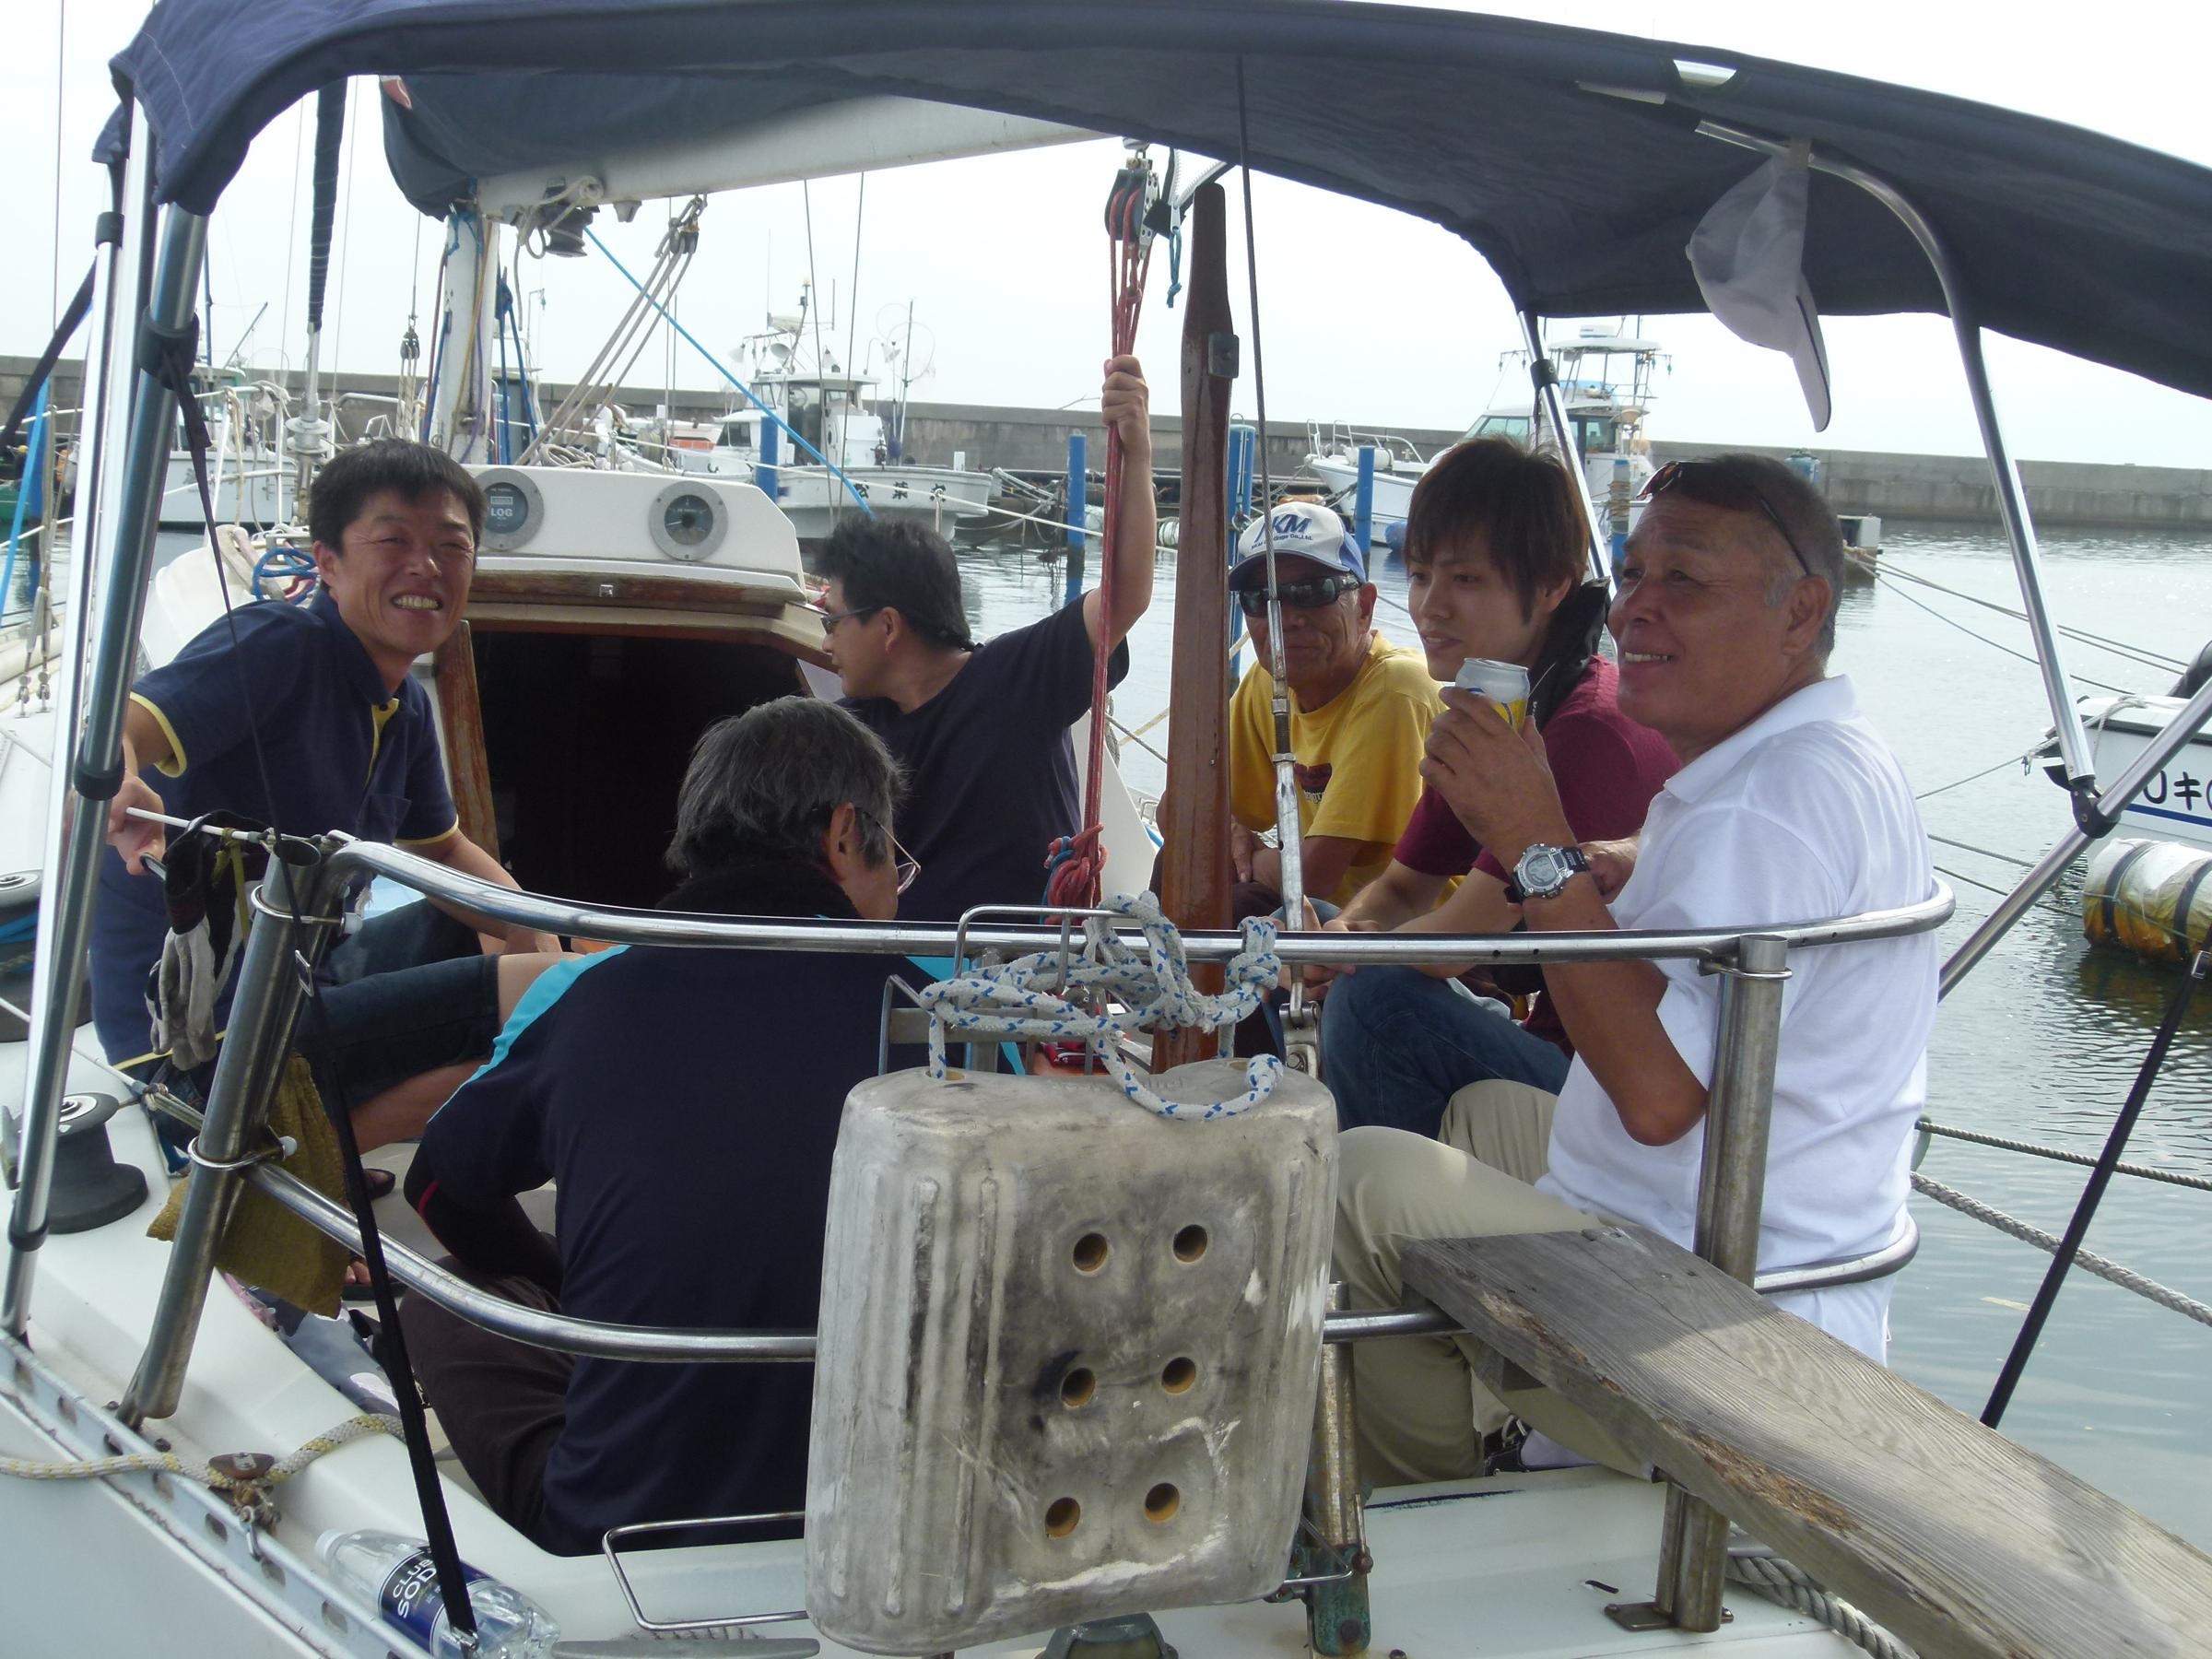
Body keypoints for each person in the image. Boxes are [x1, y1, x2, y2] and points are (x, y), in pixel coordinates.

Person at [1332, 453, 1937, 1485]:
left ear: (1801, 611)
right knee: (1480, 1113)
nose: (1633, 611)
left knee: (1360, 1182)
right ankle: (1496, 1419)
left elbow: (1658, 1103)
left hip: (1726, 1320)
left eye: (1684, 580)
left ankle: (1433, 1500)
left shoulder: (1765, 809)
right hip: (1723, 1227)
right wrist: (1623, 856)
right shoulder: (1811, 758)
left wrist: (1537, 842)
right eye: (1636, 574)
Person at [398, 698, 920, 1554]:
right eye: (894, 857)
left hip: (621, 1528)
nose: (899, 885)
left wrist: (557, 1283)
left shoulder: (584, 996)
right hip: (896, 1529)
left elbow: (439, 1189)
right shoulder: (946, 1016)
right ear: (841, 835)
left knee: (442, 1292)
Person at [91, 440, 561, 1148]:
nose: (426, 566)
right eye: (393, 541)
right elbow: (123, 728)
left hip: (296, 981)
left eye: (451, 546)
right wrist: (116, 784)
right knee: (555, 1002)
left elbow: (442, 853)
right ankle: (310, 1155)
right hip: (196, 1049)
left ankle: (330, 1129)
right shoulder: (279, 643)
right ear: (328, 563)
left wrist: (536, 932)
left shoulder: (405, 707)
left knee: (496, 937)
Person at [1315, 440, 1677, 1135]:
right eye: (1420, 575)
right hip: (1545, 1037)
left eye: (1466, 580)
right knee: (1310, 923)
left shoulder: (1584, 731)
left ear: (1552, 586)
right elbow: (1402, 889)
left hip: (1607, 1080)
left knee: (1375, 999)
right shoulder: (1496, 710)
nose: (1430, 607)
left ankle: (1377, 1185)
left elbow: (1458, 938)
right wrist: (1341, 933)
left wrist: (1339, 957)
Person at [821, 356, 1154, 921]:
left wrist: (1138, 453)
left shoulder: (1018, 679)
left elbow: (1124, 595)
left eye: (833, 621)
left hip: (1022, 963)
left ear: (888, 626)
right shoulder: (850, 734)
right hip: (902, 963)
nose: (825, 642)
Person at [1225, 501, 1440, 912]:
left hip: (1402, 930)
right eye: (1259, 598)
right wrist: (1229, 827)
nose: (1284, 619)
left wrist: (1244, 858)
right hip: (1326, 918)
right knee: (1185, 867)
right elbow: (1177, 815)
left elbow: (1315, 876)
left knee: (1237, 897)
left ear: (1364, 607)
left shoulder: (1396, 689)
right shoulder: (1269, 679)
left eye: (1311, 593)